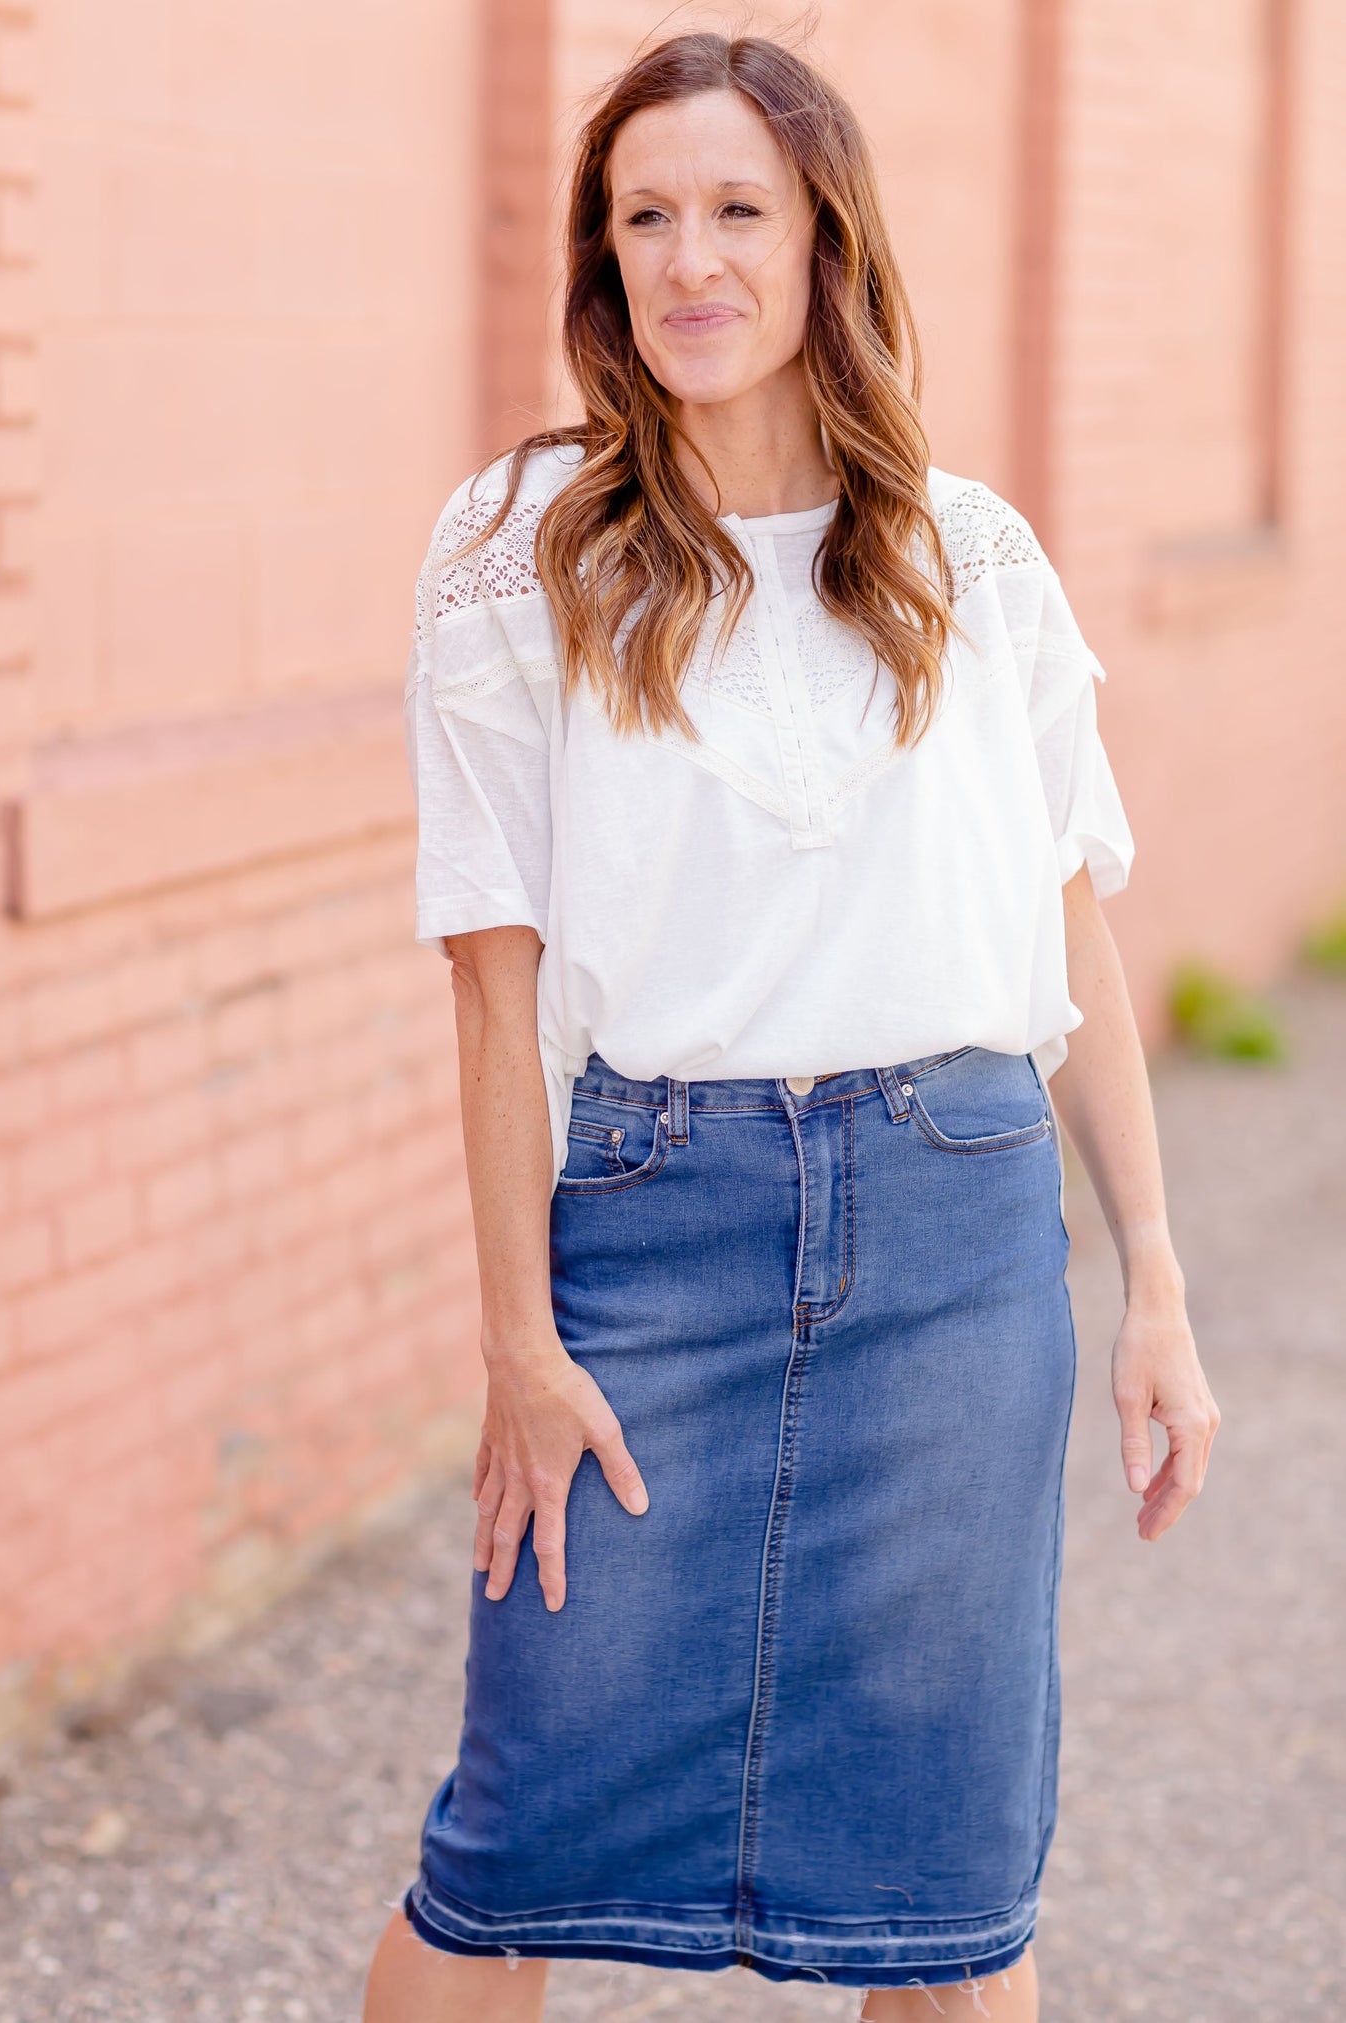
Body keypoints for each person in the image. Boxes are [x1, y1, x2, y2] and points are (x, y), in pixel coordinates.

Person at [363, 30, 1219, 2023]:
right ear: (600, 259)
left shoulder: (967, 557)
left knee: (943, 1885)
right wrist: (519, 1340)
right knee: (511, 1848)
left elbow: (1069, 930)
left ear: (829, 240)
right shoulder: (520, 551)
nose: (691, 261)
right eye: (645, 216)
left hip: (954, 1232)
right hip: (655, 1227)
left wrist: (1157, 1280)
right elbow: (491, 990)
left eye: (739, 210)